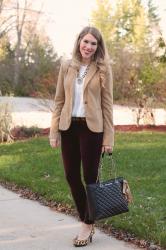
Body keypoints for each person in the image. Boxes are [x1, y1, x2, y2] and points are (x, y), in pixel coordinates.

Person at [49, 26, 114, 247]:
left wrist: (108, 139)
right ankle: (88, 218)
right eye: (85, 42)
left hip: (91, 129)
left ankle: (87, 224)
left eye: (93, 43)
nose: (88, 46)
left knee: (90, 178)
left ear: (98, 47)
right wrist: (54, 130)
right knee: (70, 175)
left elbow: (107, 106)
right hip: (68, 127)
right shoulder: (67, 66)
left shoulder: (103, 69)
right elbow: (59, 100)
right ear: (79, 42)